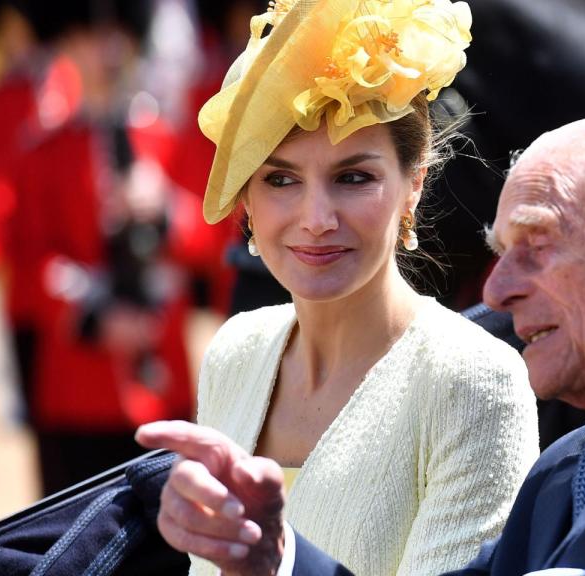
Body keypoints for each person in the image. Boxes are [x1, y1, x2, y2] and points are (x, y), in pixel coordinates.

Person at [136, 112, 585, 575]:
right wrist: (275, 554)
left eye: (536, 246)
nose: (499, 290)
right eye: (500, 252)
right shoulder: (573, 462)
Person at [169, 0, 540, 575]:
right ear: (245, 199)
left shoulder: (472, 381)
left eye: (353, 178)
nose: (316, 218)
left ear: (412, 186)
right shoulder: (234, 353)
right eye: (281, 179)